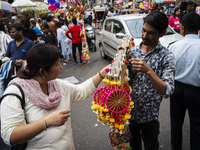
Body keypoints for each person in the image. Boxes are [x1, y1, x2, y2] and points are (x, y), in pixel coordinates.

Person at [1, 43, 110, 150]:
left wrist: (101, 74)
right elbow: (9, 135)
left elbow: (81, 90)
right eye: (57, 64)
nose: (61, 66)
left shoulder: (57, 85)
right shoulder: (15, 93)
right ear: (42, 71)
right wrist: (46, 122)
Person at [126, 11, 176, 150]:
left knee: (151, 146)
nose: (144, 35)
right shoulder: (133, 52)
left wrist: (149, 71)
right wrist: (121, 60)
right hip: (129, 114)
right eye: (143, 30)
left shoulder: (167, 57)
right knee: (133, 146)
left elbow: (167, 91)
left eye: (151, 33)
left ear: (162, 33)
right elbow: (123, 82)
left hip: (150, 118)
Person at [168, 12, 200, 150]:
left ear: (182, 28)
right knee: (197, 125)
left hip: (177, 88)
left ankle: (176, 147)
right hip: (196, 90)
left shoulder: (173, 46)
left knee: (176, 123)